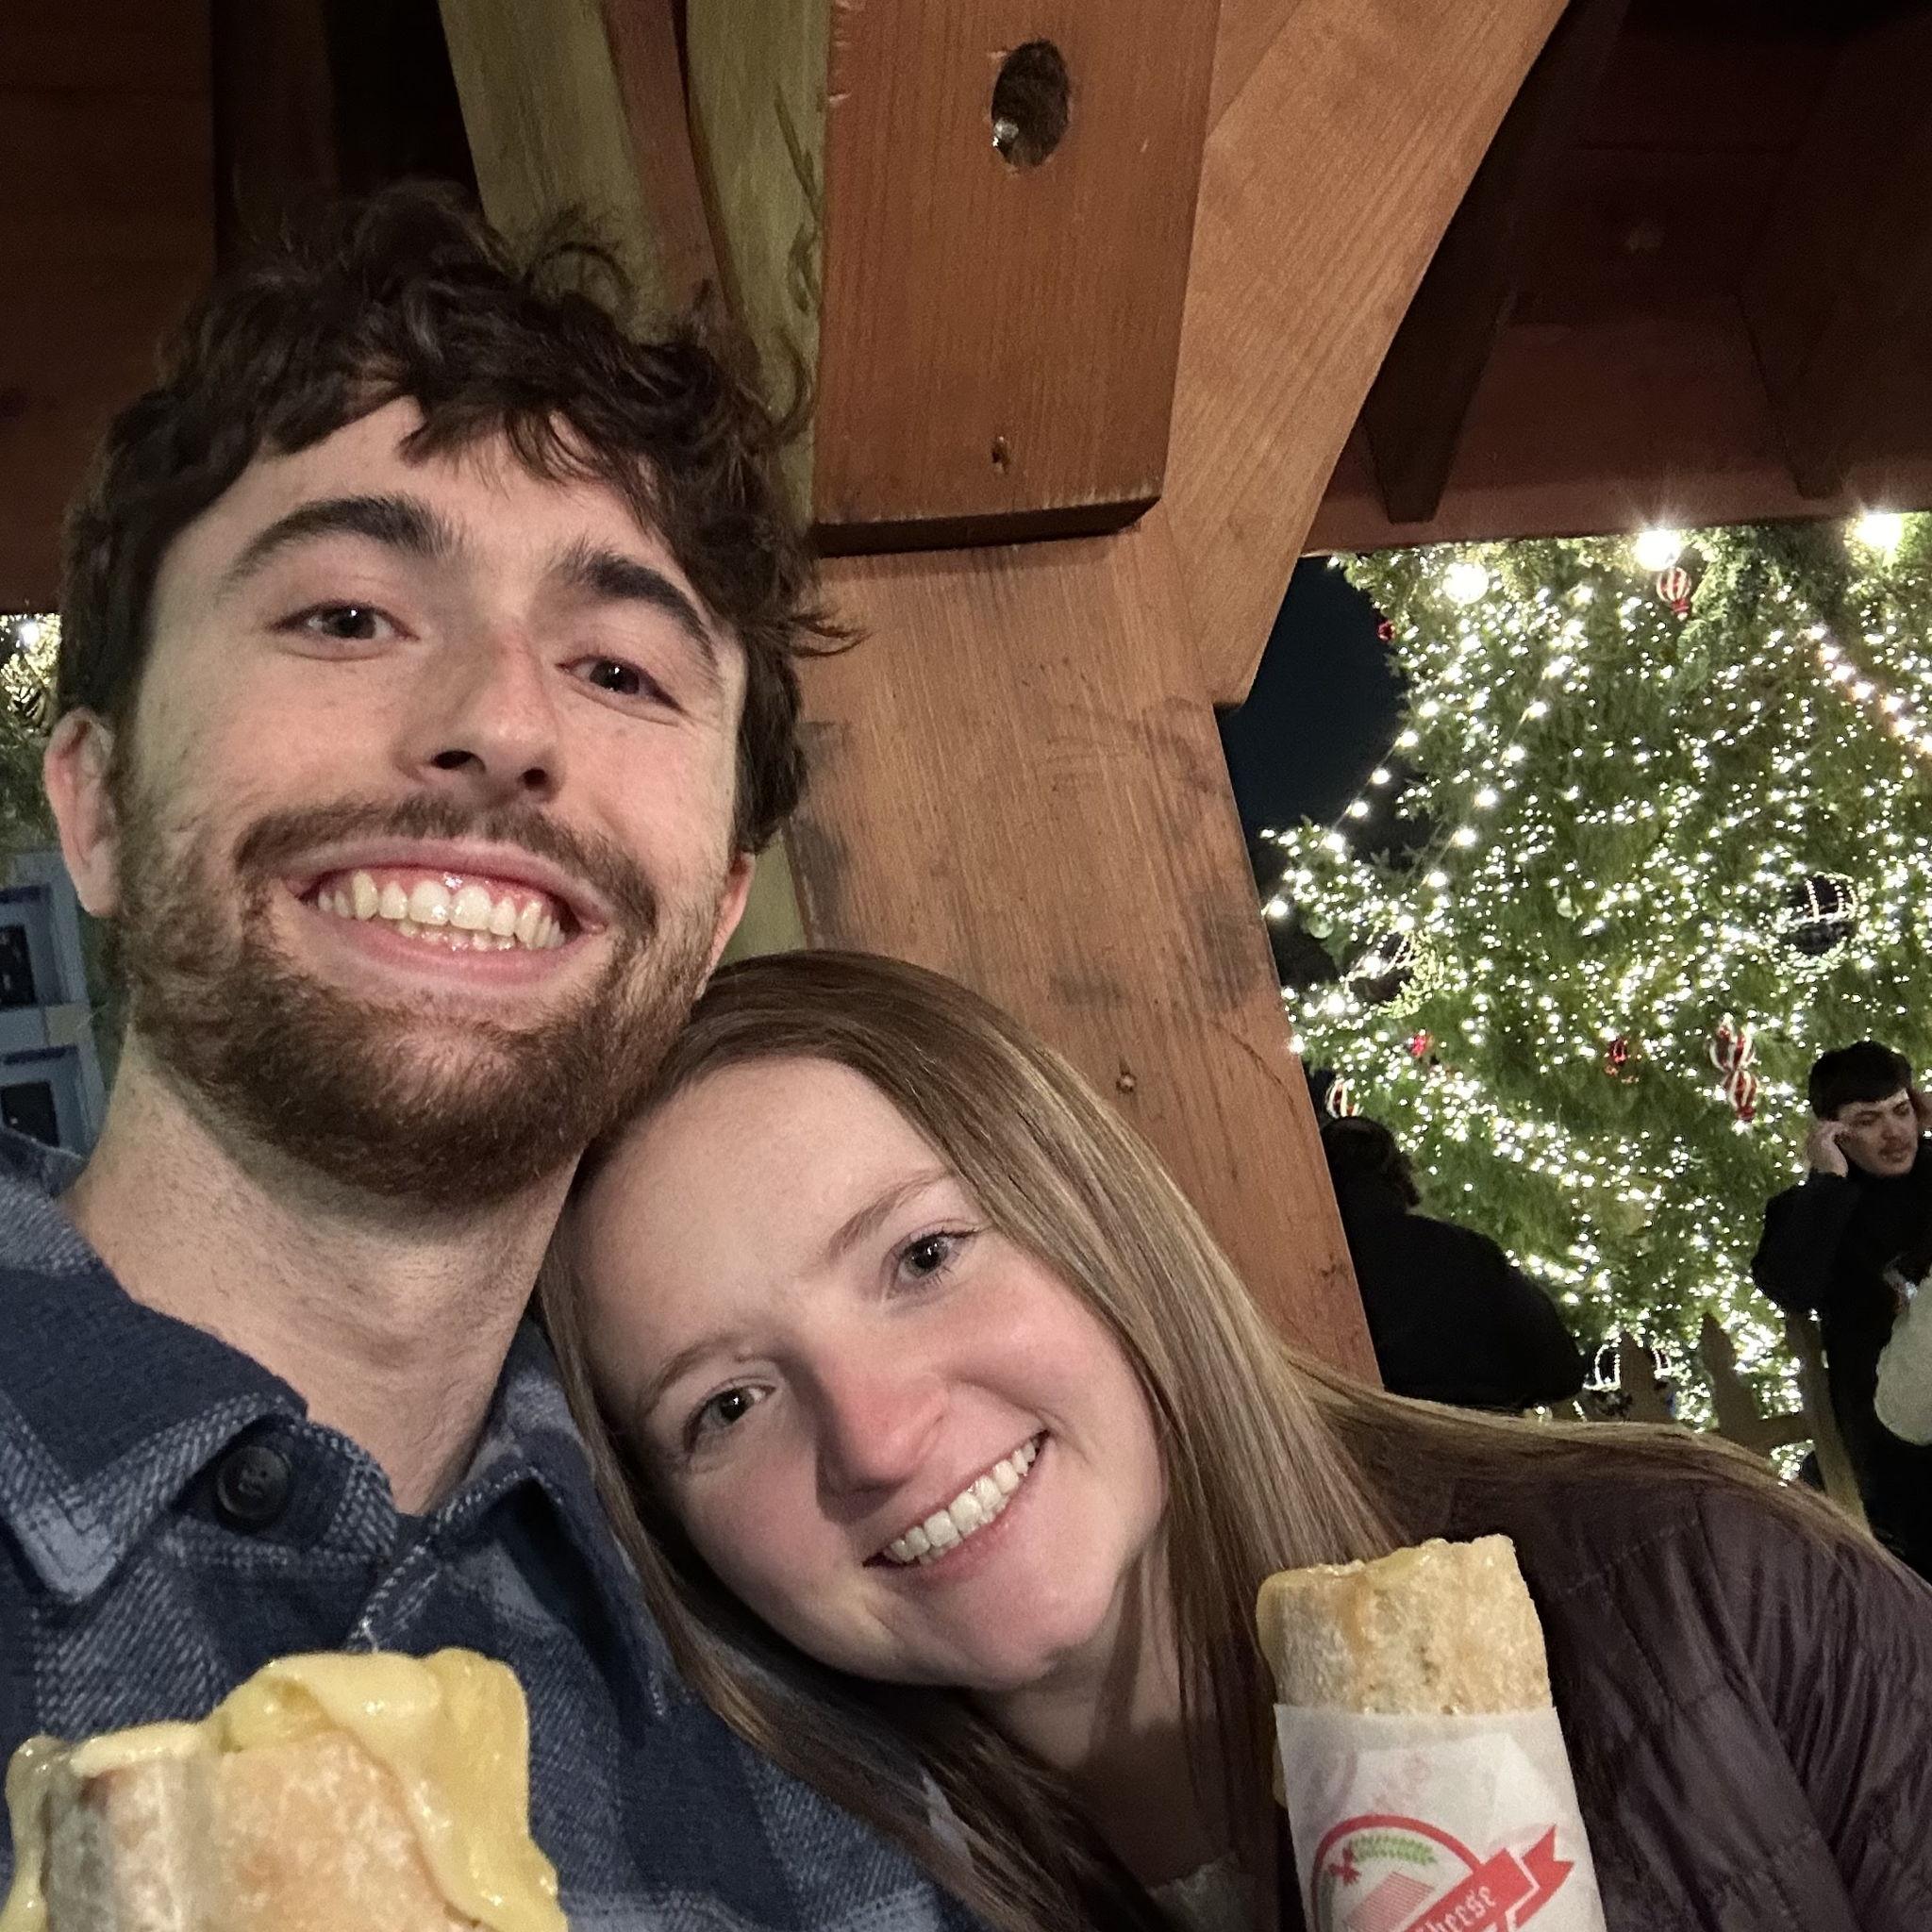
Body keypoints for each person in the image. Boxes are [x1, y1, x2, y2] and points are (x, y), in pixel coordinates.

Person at [0, 187, 988, 1930]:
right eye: (345, 616)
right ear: (95, 804)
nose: (506, 722)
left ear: (714, 909)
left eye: (619, 667)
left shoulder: (853, 1683)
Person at [547, 951, 1932, 1932]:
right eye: (725, 1405)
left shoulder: (1713, 1587)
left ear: (1097, 1221)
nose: (880, 1438)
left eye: (923, 1255)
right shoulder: (751, 1893)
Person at [1753, 1041, 1932, 1580]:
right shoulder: (1810, 1209)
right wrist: (1828, 1183)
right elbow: (1790, 1288)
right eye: (1868, 1121)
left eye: (1900, 1111)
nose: (1894, 1133)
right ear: (1833, 1132)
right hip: (1897, 1424)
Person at [1320, 1115, 1584, 1410]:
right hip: (1462, 1428)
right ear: (1398, 1176)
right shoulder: (1464, 1253)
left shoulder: (1317, 1260)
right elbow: (1561, 1369)